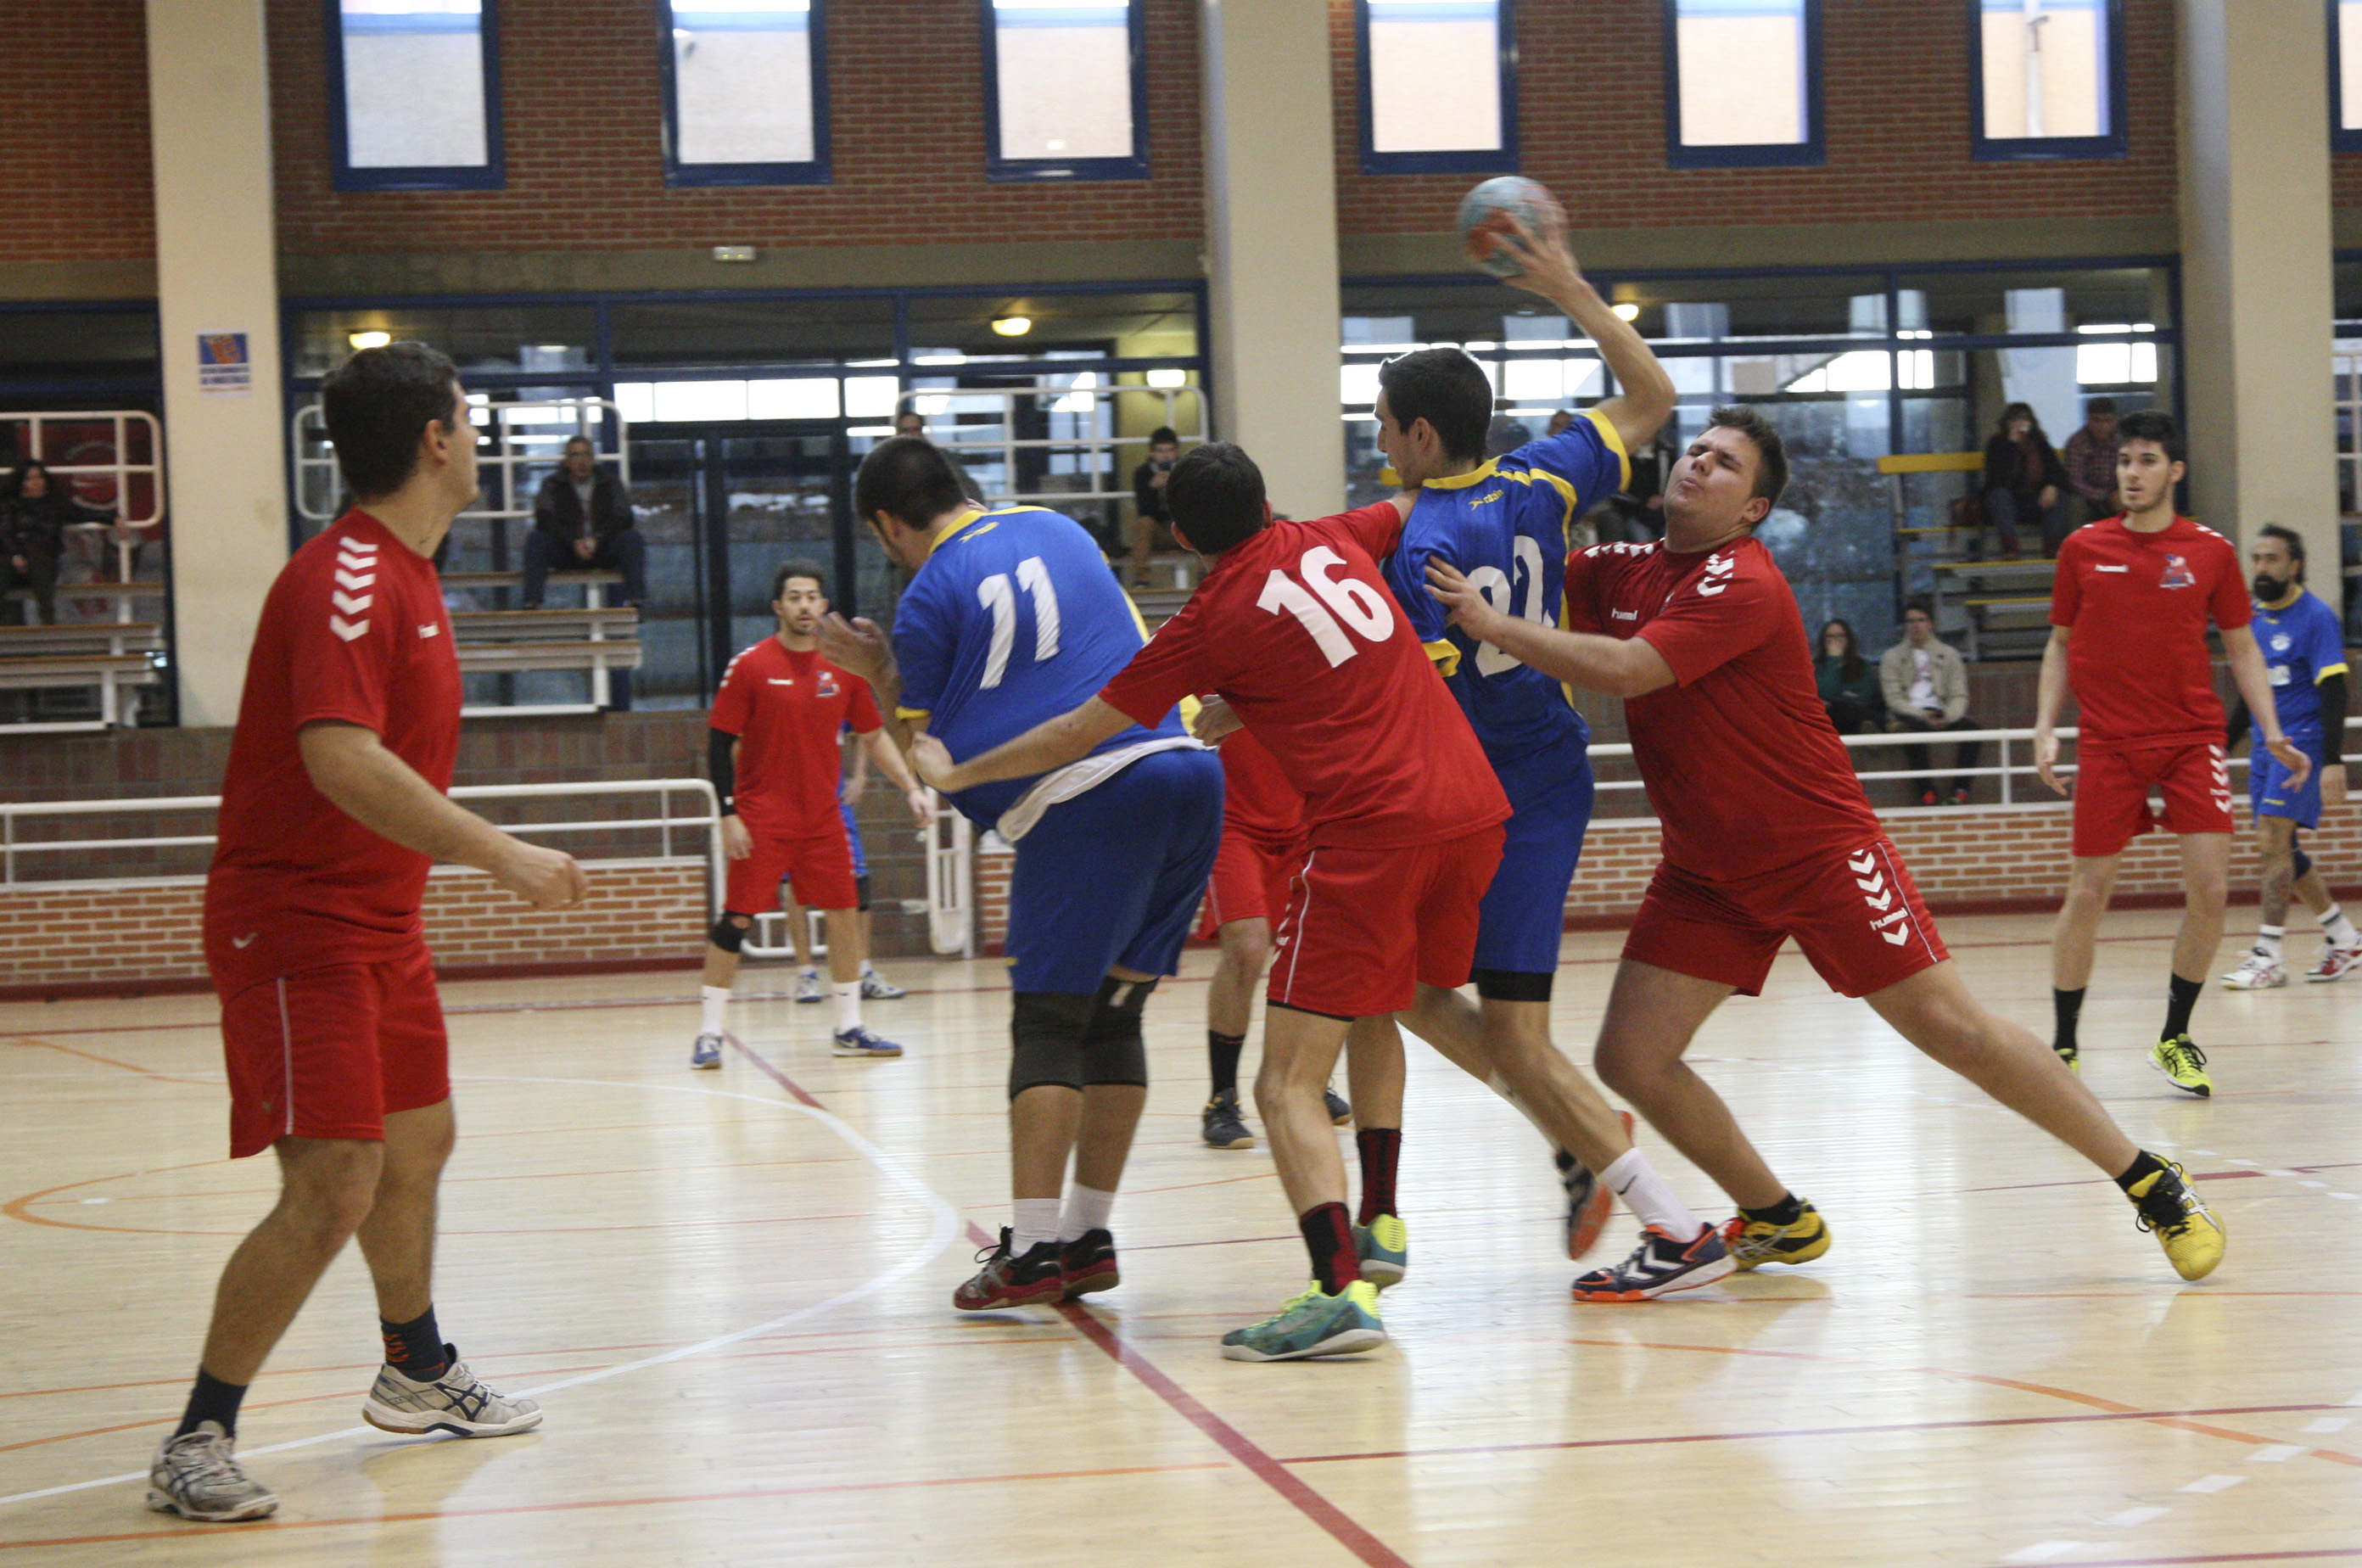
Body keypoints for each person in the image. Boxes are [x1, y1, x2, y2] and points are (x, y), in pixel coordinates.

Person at [1425, 404, 2227, 1293]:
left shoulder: (1742, 581)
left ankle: (2149, 1178)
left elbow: (1626, 670)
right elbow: (1519, 577)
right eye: (1696, 450)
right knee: (1631, 1059)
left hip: (1819, 850)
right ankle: (1775, 1217)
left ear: (1752, 511)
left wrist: (1493, 628)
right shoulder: (1617, 569)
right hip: (1706, 871)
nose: (1697, 465)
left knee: (1956, 1031)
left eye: (1724, 464)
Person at [905, 441, 1513, 1360]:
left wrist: (961, 771)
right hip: (1472, 805)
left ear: (1182, 535)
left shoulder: (1211, 616)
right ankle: (1564, 1154)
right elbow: (1423, 503)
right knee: (1408, 1008)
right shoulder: (1336, 535)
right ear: (1267, 498)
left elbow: (1077, 730)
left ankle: (1338, 1286)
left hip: (1365, 829)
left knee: (1281, 1081)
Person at [150, 343, 589, 1524]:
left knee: (419, 1142)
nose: (480, 437)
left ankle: (417, 1368)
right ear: (436, 440)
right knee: (334, 1179)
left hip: (378, 920)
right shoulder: (348, 576)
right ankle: (199, 1434)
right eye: (470, 417)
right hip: (297, 923)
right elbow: (337, 755)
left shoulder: (410, 573)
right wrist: (500, 853)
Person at [1369, 203, 1708, 1292]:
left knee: (1510, 1034)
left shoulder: (1424, 543)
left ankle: (1676, 1227)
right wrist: (1570, 288)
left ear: (1422, 437)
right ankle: (1575, 1131)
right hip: (1549, 773)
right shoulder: (1545, 474)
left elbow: (1414, 698)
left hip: (1495, 798)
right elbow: (1653, 400)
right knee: (1407, 993)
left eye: (1381, 425)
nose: (1378, 444)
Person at [815, 437, 1223, 1315]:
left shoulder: (927, 597)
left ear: (888, 525)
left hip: (1085, 795)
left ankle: (1033, 1251)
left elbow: (931, 756)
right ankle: (1087, 1235)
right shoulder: (1060, 527)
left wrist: (878, 671)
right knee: (1115, 1016)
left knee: (1046, 1023)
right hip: (1188, 772)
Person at [2036, 410, 2310, 1095]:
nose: (2131, 472)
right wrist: (2044, 725)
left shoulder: (2211, 552)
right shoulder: (2082, 548)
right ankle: (2063, 1046)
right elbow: (2061, 644)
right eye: (2125, 460)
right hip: (2108, 743)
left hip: (2192, 741)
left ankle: (2174, 1037)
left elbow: (2242, 646)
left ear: (2174, 471)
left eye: (2147, 460)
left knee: (2213, 893)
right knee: (2088, 892)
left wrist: (2271, 729)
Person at [692, 561, 930, 1067]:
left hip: (823, 819)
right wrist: (728, 813)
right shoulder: (750, 666)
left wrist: (911, 785)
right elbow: (718, 745)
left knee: (844, 915)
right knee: (736, 920)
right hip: (762, 818)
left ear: (824, 606)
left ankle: (848, 1027)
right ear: (779, 607)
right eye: (795, 597)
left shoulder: (843, 671)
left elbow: (874, 735)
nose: (805, 605)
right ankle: (710, 1033)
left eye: (813, 597)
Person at [1195, 726, 1352, 1149]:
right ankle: (1221, 1100)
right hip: (1230, 822)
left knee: (1313, 949)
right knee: (1247, 947)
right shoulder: (1206, 660)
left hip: (1307, 818)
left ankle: (1307, 1078)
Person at [2219, 525, 2360, 988]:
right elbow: (2246, 697)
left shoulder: (2316, 617)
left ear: (2294, 565)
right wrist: (2219, 747)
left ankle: (2269, 955)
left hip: (2301, 745)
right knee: (2283, 847)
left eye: (2271, 560)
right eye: (2256, 559)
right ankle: (2344, 937)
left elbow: (2335, 691)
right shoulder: (2253, 618)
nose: (2260, 568)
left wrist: (2333, 760)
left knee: (2271, 842)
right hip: (2265, 745)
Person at [781, 726, 914, 1005]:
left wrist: (860, 774)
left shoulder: (837, 686)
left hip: (834, 802)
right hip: (791, 804)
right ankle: (806, 975)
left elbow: (866, 731)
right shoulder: (778, 692)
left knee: (858, 883)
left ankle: (864, 972)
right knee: (794, 887)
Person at [524, 435, 646, 608]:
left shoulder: (610, 482)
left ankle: (635, 601)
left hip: (603, 549)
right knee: (536, 540)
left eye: (586, 455)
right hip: (567, 551)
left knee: (632, 539)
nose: (582, 461)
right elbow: (545, 519)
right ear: (566, 461)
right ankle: (532, 602)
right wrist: (573, 542)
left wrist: (597, 539)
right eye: (575, 455)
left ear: (593, 459)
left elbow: (624, 517)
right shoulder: (552, 484)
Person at [1879, 598, 1980, 804]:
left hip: (1941, 711)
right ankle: (1927, 793)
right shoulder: (1891, 657)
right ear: (1905, 626)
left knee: (1974, 732)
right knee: (1912, 734)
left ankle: (1960, 791)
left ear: (1930, 623)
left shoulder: (1949, 655)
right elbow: (1894, 699)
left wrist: (1948, 716)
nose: (1916, 625)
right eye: (1910, 621)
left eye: (1921, 620)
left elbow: (1959, 694)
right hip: (1910, 713)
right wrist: (1922, 715)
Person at [2, 459, 115, 624]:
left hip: (42, 563)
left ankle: (47, 615)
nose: (36, 483)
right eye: (29, 479)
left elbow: (84, 513)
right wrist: (16, 555)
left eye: (39, 477)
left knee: (38, 555)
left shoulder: (56, 503)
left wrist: (114, 518)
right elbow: (5, 532)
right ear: (21, 482)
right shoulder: (8, 504)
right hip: (12, 562)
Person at [1979, 402, 2067, 558]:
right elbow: (1996, 479)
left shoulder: (2040, 444)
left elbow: (2057, 472)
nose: (2020, 424)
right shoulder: (1997, 444)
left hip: (2035, 501)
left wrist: (2051, 486)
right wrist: (2011, 446)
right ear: (2007, 423)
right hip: (2007, 505)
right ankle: (2010, 549)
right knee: (1999, 495)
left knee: (2059, 497)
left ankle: (2053, 549)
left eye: (2025, 419)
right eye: (2015, 419)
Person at [2058, 398, 2121, 543]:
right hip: (2086, 497)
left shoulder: (2124, 440)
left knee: (2135, 502)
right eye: (2097, 420)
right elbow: (2074, 480)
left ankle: (2134, 549)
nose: (2102, 426)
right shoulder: (2078, 442)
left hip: (2117, 493)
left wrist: (2121, 492)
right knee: (2075, 506)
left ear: (2116, 420)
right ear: (2088, 420)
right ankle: (2075, 549)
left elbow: (2133, 471)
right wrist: (2104, 496)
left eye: (2107, 420)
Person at [1128, 427, 1182, 590]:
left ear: (1176, 452)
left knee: (1200, 523)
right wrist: (1152, 488)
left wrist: (1176, 486)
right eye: (1160, 451)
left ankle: (1207, 580)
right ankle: (1142, 580)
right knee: (1144, 524)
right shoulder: (1142, 473)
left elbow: (1192, 507)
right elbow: (1143, 510)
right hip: (1157, 531)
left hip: (1181, 530)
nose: (1165, 455)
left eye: (1169, 450)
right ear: (1152, 453)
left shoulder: (1186, 471)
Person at [1815, 619, 1883, 736]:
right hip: (1831, 715)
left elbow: (1865, 693)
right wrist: (1833, 660)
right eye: (1830, 636)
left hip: (1858, 710)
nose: (1835, 640)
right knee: (1840, 708)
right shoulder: (1816, 667)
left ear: (1848, 639)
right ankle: (1886, 724)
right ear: (1823, 640)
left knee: (1849, 707)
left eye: (1840, 636)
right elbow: (1827, 692)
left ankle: (1871, 728)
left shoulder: (1862, 664)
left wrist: (1839, 698)